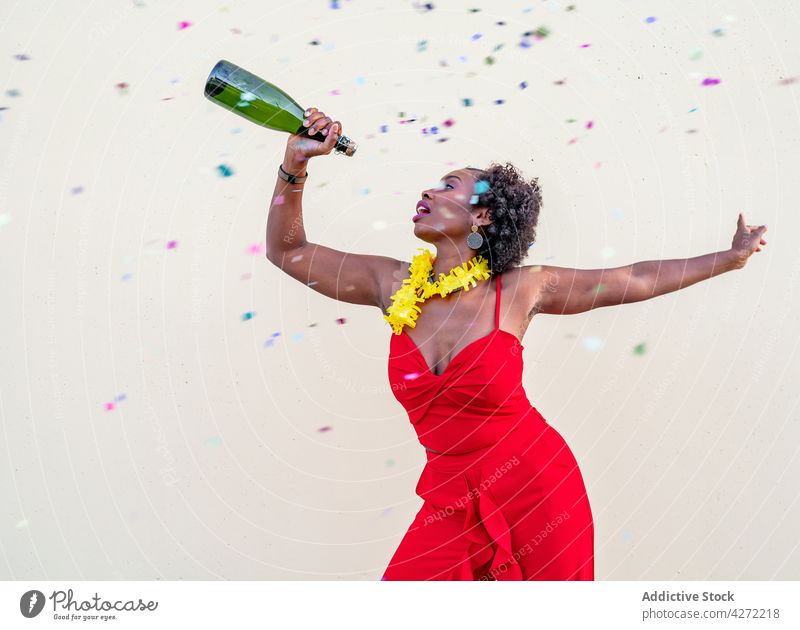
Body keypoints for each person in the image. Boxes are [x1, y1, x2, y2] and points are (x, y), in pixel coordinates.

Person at [265, 107, 769, 581]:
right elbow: (288, 251)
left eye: (449, 185)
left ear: (482, 216)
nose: (429, 190)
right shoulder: (388, 283)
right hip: (450, 496)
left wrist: (729, 258)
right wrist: (295, 167)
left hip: (538, 489)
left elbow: (631, 278)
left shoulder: (520, 291)